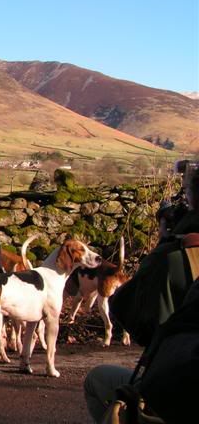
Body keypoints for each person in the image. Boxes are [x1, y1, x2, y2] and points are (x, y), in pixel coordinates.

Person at [83, 163, 199, 423]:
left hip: (176, 394)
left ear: (192, 198)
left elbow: (128, 314)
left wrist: (164, 244)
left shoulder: (175, 255)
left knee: (96, 381)